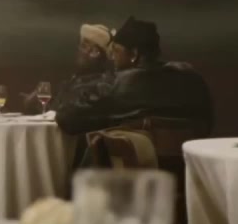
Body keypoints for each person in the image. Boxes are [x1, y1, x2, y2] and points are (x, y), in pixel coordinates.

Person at [55, 16, 214, 136]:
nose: (113, 58)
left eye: (116, 51)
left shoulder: (117, 83)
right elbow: (208, 123)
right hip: (182, 166)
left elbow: (67, 119)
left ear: (133, 54)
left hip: (130, 168)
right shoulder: (193, 79)